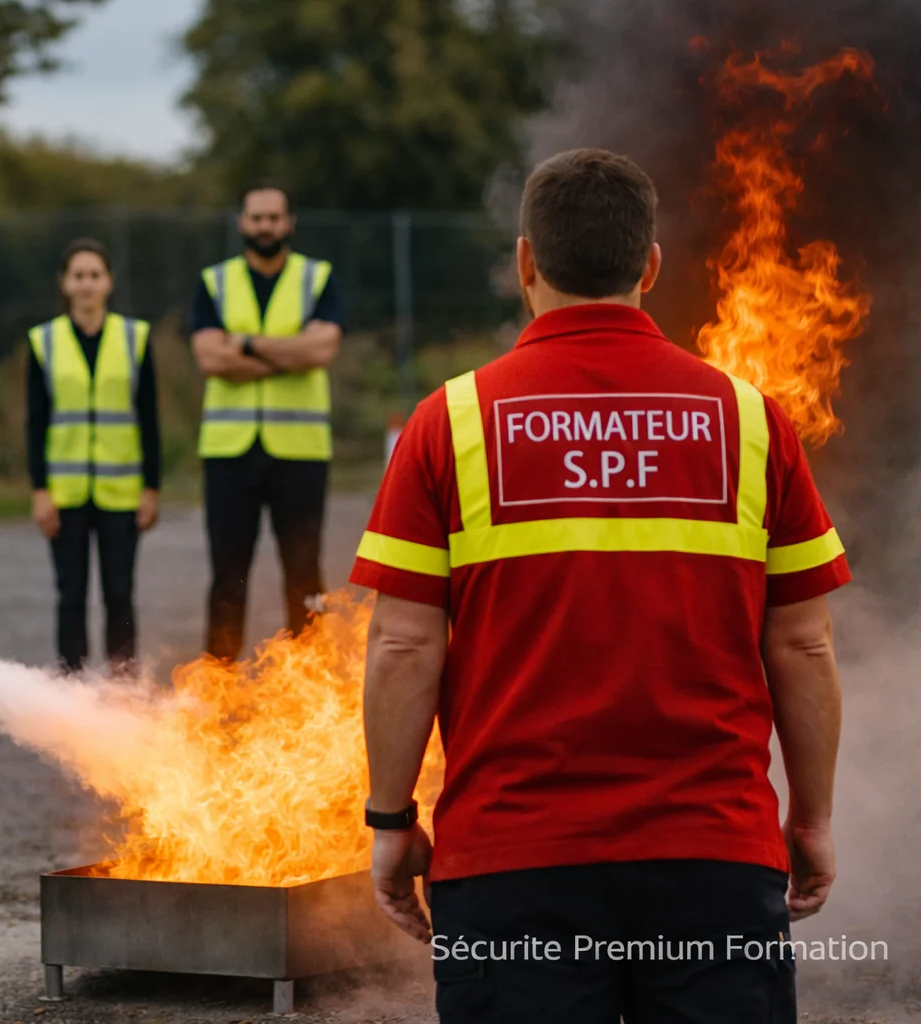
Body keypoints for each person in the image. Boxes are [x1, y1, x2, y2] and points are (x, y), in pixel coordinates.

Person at [353, 150, 848, 1023]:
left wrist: (390, 821)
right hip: (713, 860)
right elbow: (802, 643)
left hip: (511, 865)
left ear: (525, 263)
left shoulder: (449, 421)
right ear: (650, 266)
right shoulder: (749, 417)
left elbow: (403, 643)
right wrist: (809, 819)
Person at [189, 184, 344, 661]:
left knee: (305, 572)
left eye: (274, 218)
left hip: (300, 453)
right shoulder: (214, 282)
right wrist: (288, 353)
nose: (266, 227)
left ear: (289, 223)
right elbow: (210, 359)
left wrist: (248, 345)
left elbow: (321, 350)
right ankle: (220, 686)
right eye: (257, 218)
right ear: (241, 222)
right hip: (230, 452)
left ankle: (311, 680)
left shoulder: (317, 279)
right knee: (228, 575)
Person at [26, 238, 160, 673]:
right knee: (71, 594)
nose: (87, 284)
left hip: (121, 491)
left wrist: (151, 488)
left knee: (119, 591)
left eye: (94, 275)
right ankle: (72, 683)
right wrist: (39, 489)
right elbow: (35, 422)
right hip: (65, 493)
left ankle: (123, 684)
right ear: (65, 284)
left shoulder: (135, 337)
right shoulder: (44, 341)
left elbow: (149, 419)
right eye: (78, 276)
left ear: (109, 282)